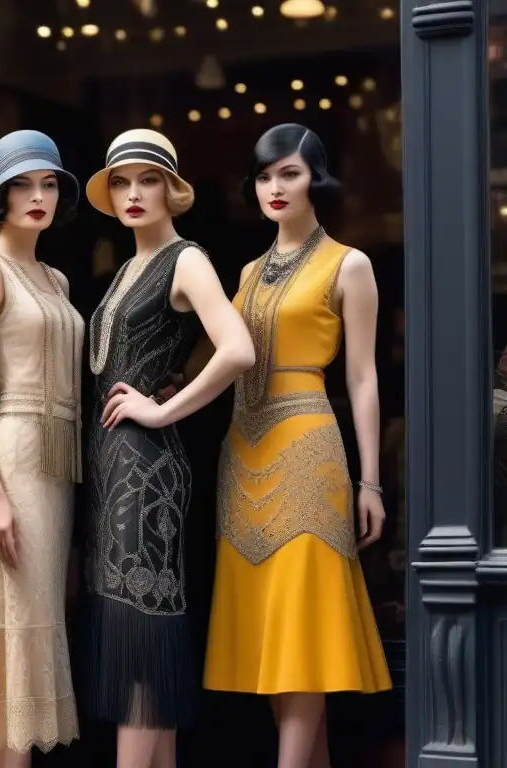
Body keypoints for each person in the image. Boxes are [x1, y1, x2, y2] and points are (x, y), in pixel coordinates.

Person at [203, 123, 392, 768]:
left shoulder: (349, 264)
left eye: (290, 173)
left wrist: (371, 483)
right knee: (270, 640)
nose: (275, 187)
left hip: (310, 451)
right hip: (243, 453)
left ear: (317, 178)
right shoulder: (248, 272)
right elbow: (217, 356)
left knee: (304, 636)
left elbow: (363, 379)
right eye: (264, 176)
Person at [80, 129, 255, 768]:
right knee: (138, 653)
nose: (132, 194)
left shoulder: (187, 259)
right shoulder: (129, 266)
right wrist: (174, 380)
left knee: (142, 650)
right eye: (121, 183)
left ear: (171, 190)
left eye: (146, 180)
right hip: (113, 466)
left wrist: (162, 408)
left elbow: (238, 348)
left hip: (147, 471)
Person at [0, 130, 83, 767]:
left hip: (56, 468)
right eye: (22, 184)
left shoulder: (53, 275)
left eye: (49, 183)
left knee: (32, 637)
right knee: (8, 636)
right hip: (12, 461)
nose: (38, 196)